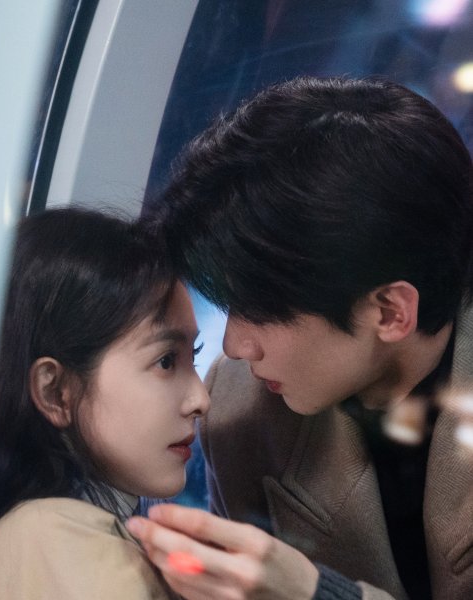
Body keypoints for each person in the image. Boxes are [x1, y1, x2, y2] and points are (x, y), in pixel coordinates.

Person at [126, 76, 473, 600]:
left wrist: (318, 594)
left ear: (390, 311)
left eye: (262, 310)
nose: (234, 347)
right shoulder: (239, 410)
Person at [0, 208, 209, 599]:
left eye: (192, 358)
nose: (201, 400)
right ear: (56, 392)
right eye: (166, 361)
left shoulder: (31, 531)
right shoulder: (58, 540)